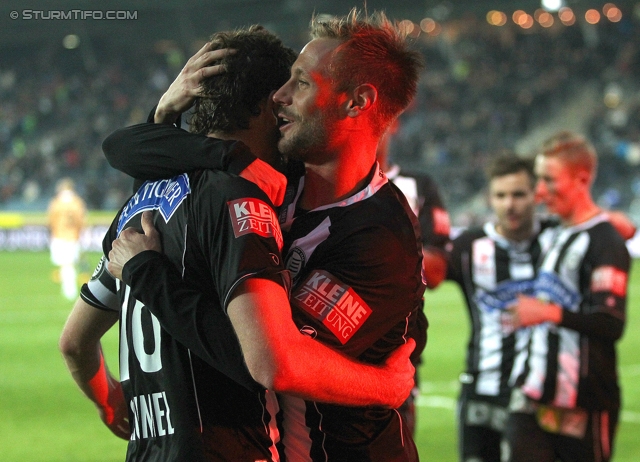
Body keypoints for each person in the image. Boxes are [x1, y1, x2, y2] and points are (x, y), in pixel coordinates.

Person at [60, 25, 417, 462]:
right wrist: (166, 116)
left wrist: (386, 387)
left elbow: (275, 363)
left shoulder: (379, 237)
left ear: (356, 102)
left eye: (301, 82)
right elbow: (120, 147)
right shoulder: (273, 177)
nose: (279, 96)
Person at [504, 131, 630, 462]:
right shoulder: (555, 233)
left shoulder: (605, 242)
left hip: (584, 404)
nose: (540, 191)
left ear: (582, 179)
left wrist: (549, 313)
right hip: (533, 396)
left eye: (549, 180)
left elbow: (611, 323)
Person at [376, 118, 451, 435]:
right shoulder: (317, 179)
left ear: (392, 122)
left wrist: (376, 257)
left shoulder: (419, 185)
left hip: (398, 349)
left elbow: (437, 270)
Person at [47, 177, 87, 300]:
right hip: (73, 236)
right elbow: (82, 220)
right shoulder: (77, 202)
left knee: (65, 264)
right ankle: (70, 289)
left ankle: (69, 290)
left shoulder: (56, 203)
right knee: (70, 263)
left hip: (59, 235)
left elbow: (50, 220)